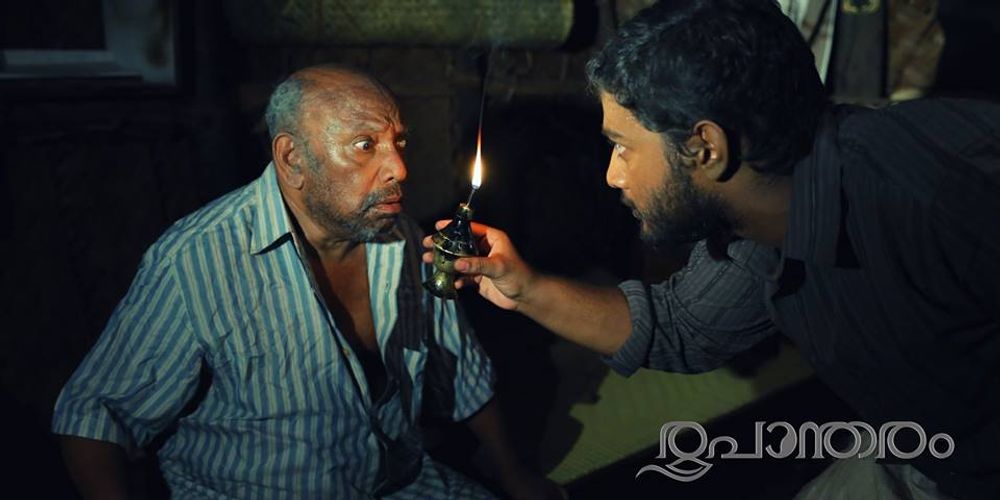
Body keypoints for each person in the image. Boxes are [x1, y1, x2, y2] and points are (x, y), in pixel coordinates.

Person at [424, 1, 1000, 499]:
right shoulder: (761, 222)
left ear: (706, 147)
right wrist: (525, 287)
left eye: (623, 147)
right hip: (925, 452)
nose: (611, 175)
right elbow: (681, 326)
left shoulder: (940, 192)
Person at [53, 65, 557, 500]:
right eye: (365, 145)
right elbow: (93, 418)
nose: (399, 168)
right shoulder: (195, 261)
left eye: (398, 142)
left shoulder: (402, 237)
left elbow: (460, 368)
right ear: (293, 158)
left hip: (397, 483)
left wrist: (513, 475)